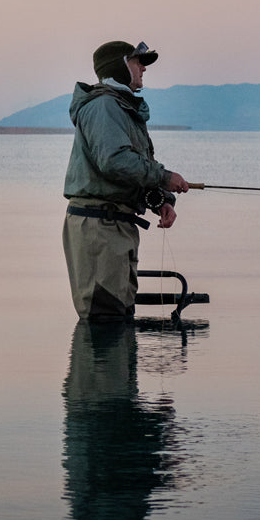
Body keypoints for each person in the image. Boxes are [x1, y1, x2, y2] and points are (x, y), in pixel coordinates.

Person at [63, 41, 190, 321]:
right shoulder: (104, 106)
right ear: (119, 67)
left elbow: (130, 165)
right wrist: (165, 177)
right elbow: (115, 161)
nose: (143, 68)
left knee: (119, 314)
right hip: (99, 229)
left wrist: (162, 201)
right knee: (105, 317)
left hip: (115, 228)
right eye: (137, 62)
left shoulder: (120, 107)